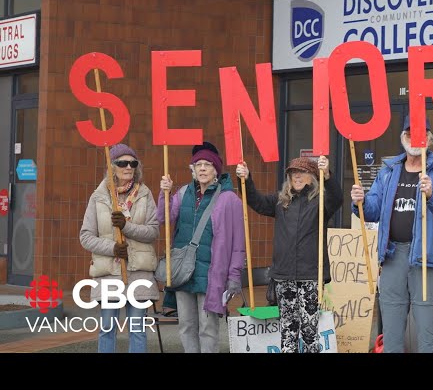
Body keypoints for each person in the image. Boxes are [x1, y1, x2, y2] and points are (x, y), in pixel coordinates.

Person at [350, 115, 433, 353]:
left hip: (426, 258)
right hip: (392, 256)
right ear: (403, 137)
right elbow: (372, 210)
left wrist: (432, 194)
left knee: (429, 331)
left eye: (421, 133)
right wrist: (359, 202)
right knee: (391, 332)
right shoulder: (389, 170)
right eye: (410, 133)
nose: (415, 138)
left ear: (429, 139)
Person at [236, 155, 342, 353]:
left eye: (302, 172)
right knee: (288, 329)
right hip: (284, 276)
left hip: (310, 276)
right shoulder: (280, 201)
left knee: (310, 331)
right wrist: (246, 179)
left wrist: (328, 174)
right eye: (293, 173)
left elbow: (337, 198)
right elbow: (256, 201)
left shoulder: (321, 202)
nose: (297, 176)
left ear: (312, 176)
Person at [157, 141, 245, 353]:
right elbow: (163, 217)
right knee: (186, 325)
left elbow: (238, 243)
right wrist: (165, 194)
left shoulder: (229, 199)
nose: (203, 168)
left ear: (216, 170)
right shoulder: (183, 192)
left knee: (207, 328)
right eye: (198, 165)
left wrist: (234, 276)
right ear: (193, 170)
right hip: (184, 272)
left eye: (208, 164)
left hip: (211, 273)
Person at [80, 143, 159, 353]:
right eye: (122, 163)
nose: (128, 167)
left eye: (133, 163)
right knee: (107, 329)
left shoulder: (144, 194)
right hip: (109, 273)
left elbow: (153, 231)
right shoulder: (99, 196)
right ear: (112, 166)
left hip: (139, 273)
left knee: (137, 329)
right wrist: (113, 248)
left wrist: (127, 227)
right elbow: (85, 237)